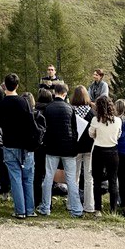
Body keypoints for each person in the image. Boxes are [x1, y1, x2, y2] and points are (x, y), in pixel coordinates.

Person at [0, 73, 41, 219]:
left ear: (5, 85)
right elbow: (30, 122)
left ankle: (20, 210)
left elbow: (1, 123)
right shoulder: (24, 102)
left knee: (15, 178)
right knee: (28, 178)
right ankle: (30, 209)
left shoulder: (1, 104)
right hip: (26, 144)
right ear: (17, 85)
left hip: (9, 143)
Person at [38, 79, 81, 218]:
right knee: (71, 179)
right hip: (68, 147)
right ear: (65, 94)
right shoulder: (70, 108)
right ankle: (76, 209)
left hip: (52, 147)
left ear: (54, 92)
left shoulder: (48, 108)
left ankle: (45, 207)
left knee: (48, 178)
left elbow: (45, 128)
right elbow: (75, 130)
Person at [87, 94, 121, 217]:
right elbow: (118, 135)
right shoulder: (118, 120)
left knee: (97, 181)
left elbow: (91, 134)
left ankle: (98, 209)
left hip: (99, 150)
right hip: (112, 151)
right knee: (113, 180)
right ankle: (113, 210)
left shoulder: (95, 120)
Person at [71, 86, 96, 214]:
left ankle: (72, 204)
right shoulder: (91, 113)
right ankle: (89, 205)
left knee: (74, 178)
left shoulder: (71, 112)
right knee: (89, 179)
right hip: (89, 148)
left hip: (75, 148)